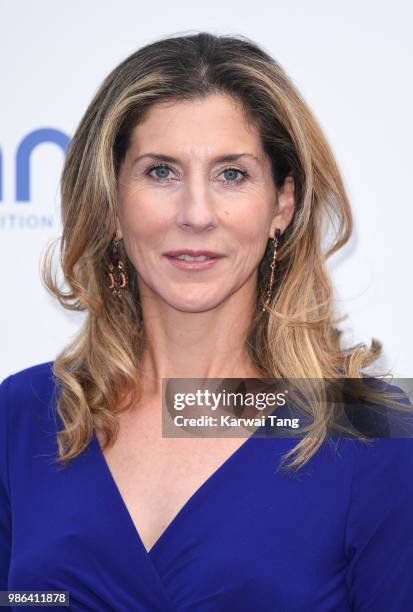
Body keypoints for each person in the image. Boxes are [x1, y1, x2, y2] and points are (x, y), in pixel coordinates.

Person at [1, 31, 412, 612]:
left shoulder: (369, 430)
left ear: (282, 204)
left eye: (232, 174)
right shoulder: (22, 416)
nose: (195, 214)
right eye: (161, 172)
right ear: (112, 203)